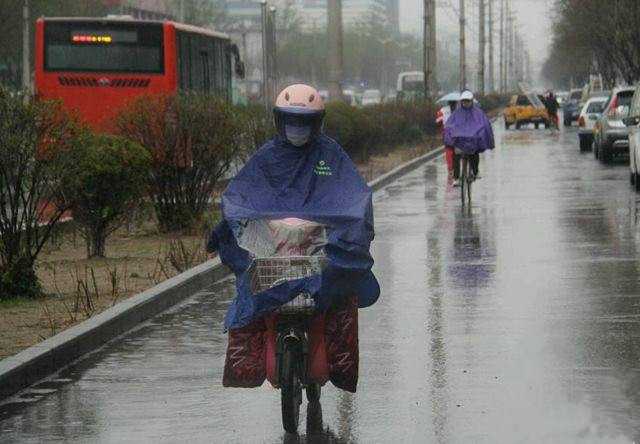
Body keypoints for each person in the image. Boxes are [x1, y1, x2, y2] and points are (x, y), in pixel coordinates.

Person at [206, 84, 379, 393]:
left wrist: (348, 225)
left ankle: (336, 362)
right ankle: (250, 362)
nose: (297, 128)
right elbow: (241, 194)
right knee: (249, 288)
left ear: (317, 123)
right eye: (291, 120)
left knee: (342, 297)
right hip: (274, 247)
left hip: (321, 249)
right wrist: (235, 222)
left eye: (304, 122)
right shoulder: (267, 157)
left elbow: (353, 196)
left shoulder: (330, 155)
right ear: (279, 120)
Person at [444, 90, 495, 186]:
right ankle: (456, 178)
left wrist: (480, 133)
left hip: (472, 141)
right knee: (456, 156)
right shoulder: (457, 113)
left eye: (467, 101)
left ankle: (475, 172)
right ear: (461, 101)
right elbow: (450, 124)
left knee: (474, 153)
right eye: (464, 101)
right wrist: (450, 132)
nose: (465, 103)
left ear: (471, 101)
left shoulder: (478, 113)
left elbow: (484, 124)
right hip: (460, 141)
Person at [436, 94, 460, 182]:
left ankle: (450, 170)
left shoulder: (442, 110)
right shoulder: (460, 111)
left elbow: (438, 122)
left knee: (449, 151)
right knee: (457, 152)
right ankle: (456, 170)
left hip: (447, 134)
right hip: (458, 134)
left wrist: (442, 127)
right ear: (456, 102)